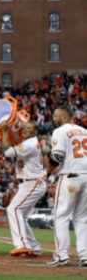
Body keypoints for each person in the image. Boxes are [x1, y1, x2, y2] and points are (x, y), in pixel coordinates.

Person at [46, 106, 87, 267]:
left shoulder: (60, 131)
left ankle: (62, 256)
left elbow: (57, 156)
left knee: (61, 216)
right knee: (82, 219)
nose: (54, 118)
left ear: (64, 117)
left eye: (56, 115)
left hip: (70, 176)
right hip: (86, 175)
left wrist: (47, 172)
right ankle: (84, 256)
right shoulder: (84, 131)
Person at [0, 121, 47, 257]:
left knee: (13, 209)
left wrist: (4, 132)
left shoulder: (30, 144)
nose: (26, 130)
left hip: (32, 183)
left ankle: (23, 245)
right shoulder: (28, 143)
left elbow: (8, 152)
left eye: (29, 129)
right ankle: (34, 247)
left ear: (35, 132)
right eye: (25, 128)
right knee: (22, 216)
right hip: (29, 183)